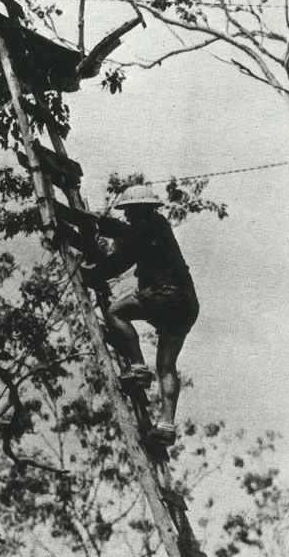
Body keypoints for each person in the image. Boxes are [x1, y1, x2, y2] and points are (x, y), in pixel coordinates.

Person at [85, 185, 199, 446]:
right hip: (186, 303)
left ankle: (137, 368)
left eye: (129, 212)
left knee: (116, 312)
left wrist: (91, 274)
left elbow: (120, 260)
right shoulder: (157, 226)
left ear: (137, 211)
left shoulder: (143, 229)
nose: (128, 217)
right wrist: (102, 225)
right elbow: (126, 233)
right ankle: (167, 425)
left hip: (164, 295)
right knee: (167, 367)